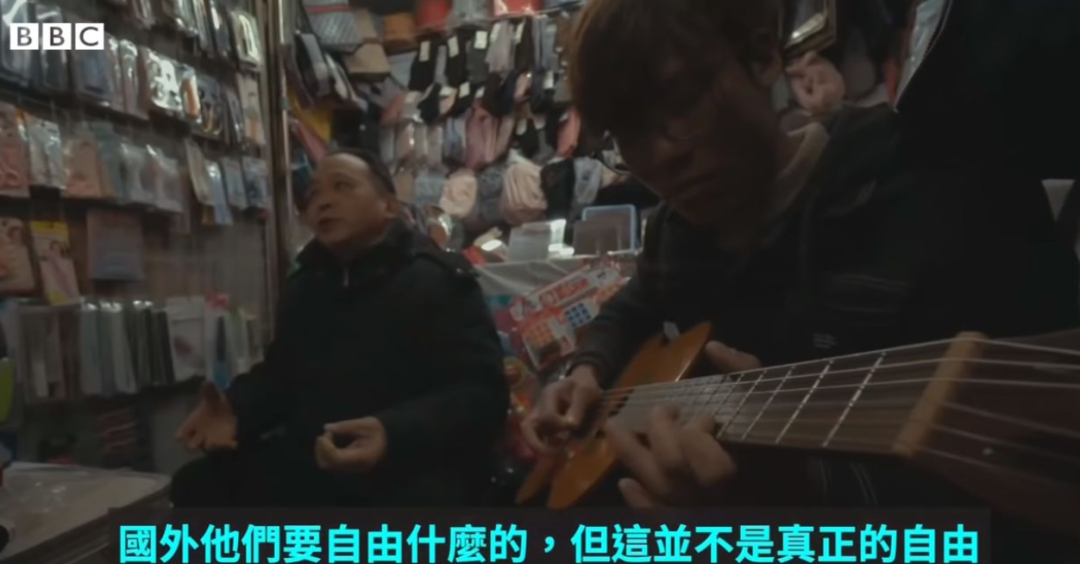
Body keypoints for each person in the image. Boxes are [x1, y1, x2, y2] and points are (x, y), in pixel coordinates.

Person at [522, 0, 1079, 553]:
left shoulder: (935, 188)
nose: (659, 157)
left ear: (762, 56)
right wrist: (586, 370)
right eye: (627, 134)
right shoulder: (676, 233)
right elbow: (631, 307)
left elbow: (1028, 516)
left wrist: (801, 505)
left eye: (681, 103)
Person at [172, 149, 508, 507]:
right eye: (314, 194)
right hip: (316, 462)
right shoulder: (305, 287)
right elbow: (281, 377)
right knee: (195, 487)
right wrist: (237, 409)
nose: (323, 202)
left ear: (388, 206)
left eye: (342, 186)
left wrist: (392, 433)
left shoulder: (438, 281)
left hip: (410, 467)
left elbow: (482, 395)